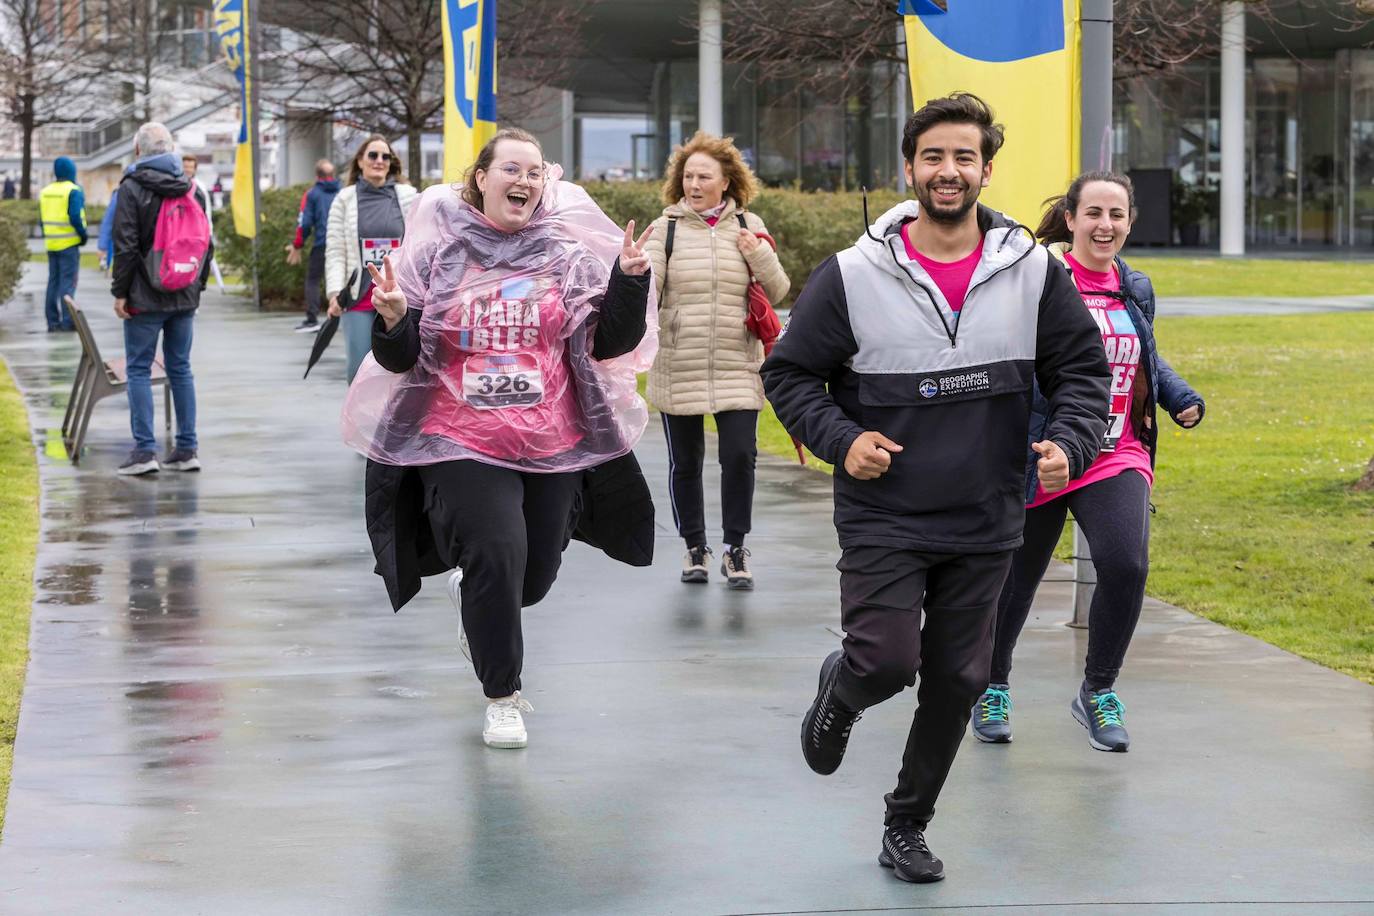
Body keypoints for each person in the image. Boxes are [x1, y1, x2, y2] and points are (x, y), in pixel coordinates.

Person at [761, 92, 1111, 884]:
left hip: (988, 511)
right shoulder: (853, 274)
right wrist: (843, 442)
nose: (948, 171)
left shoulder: (1032, 272)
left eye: (964, 157)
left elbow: (1084, 375)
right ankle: (842, 691)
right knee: (886, 661)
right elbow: (788, 375)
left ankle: (906, 824)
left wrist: (1069, 442)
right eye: (933, 156)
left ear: (987, 169)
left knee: (959, 678)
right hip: (887, 510)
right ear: (909, 168)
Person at [341, 128, 657, 750]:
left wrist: (628, 278)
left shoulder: (564, 257)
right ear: (481, 178)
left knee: (530, 578)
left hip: (552, 440)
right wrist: (395, 316)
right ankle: (502, 696)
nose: (526, 181)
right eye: (512, 168)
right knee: (496, 547)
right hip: (458, 438)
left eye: (536, 172)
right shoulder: (439, 255)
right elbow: (404, 358)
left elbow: (608, 343)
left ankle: (480, 589)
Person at [973, 172, 1205, 753]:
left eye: (1117, 215)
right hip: (1043, 451)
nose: (1106, 226)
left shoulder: (1135, 286)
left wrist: (1179, 398)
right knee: (1016, 580)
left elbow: (1144, 352)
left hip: (1116, 450)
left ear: (1129, 222)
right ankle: (991, 683)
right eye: (1094, 214)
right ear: (1070, 218)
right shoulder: (1040, 281)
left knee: (1126, 564)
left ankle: (1098, 689)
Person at [643, 132, 789, 589]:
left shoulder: (749, 225)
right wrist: (632, 270)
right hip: (679, 362)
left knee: (740, 456)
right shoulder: (665, 228)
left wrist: (757, 253)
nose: (694, 183)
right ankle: (694, 547)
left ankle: (736, 549)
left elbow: (780, 289)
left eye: (704, 176)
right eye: (688, 176)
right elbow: (646, 294)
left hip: (736, 364)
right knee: (685, 463)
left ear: (726, 182)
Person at [110, 122, 212, 476]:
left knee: (138, 368)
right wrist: (197, 286)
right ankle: (187, 448)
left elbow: (124, 246)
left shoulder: (131, 187)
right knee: (180, 369)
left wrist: (120, 292)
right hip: (184, 292)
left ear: (138, 151)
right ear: (171, 151)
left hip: (145, 294)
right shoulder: (191, 187)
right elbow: (206, 242)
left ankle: (144, 452)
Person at [326, 136, 416, 382]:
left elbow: (420, 246)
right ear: (360, 161)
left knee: (397, 372)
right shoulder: (344, 199)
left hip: (397, 298)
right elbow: (335, 249)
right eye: (373, 155)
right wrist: (334, 292)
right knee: (358, 371)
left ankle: (389, 421)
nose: (379, 161)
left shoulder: (409, 196)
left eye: (385, 156)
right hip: (358, 298)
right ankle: (360, 421)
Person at [285, 159, 339, 332]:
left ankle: (312, 319)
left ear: (317, 176)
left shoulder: (312, 194)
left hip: (322, 243)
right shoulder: (344, 191)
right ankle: (347, 316)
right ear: (333, 175)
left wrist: (297, 245)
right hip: (343, 243)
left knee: (313, 280)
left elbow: (305, 223)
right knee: (346, 280)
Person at [40, 156, 88, 332]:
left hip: (51, 244)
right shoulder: (73, 190)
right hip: (69, 244)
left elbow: (41, 219)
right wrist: (83, 235)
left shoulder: (45, 191)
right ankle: (68, 321)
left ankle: (52, 322)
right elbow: (75, 216)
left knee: (53, 283)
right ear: (71, 171)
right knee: (67, 284)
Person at [97, 188, 119, 271]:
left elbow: (107, 221)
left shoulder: (118, 194)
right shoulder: (120, 194)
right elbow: (108, 221)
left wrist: (102, 246)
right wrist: (102, 246)